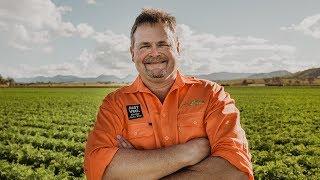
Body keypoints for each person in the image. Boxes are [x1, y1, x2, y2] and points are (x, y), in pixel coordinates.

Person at [84, 8, 253, 180]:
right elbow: (99, 169)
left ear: (177, 48)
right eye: (145, 46)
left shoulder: (212, 95)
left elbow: (236, 170)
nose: (155, 53)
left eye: (163, 44)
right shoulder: (115, 104)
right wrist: (188, 153)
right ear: (132, 53)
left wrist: (138, 170)